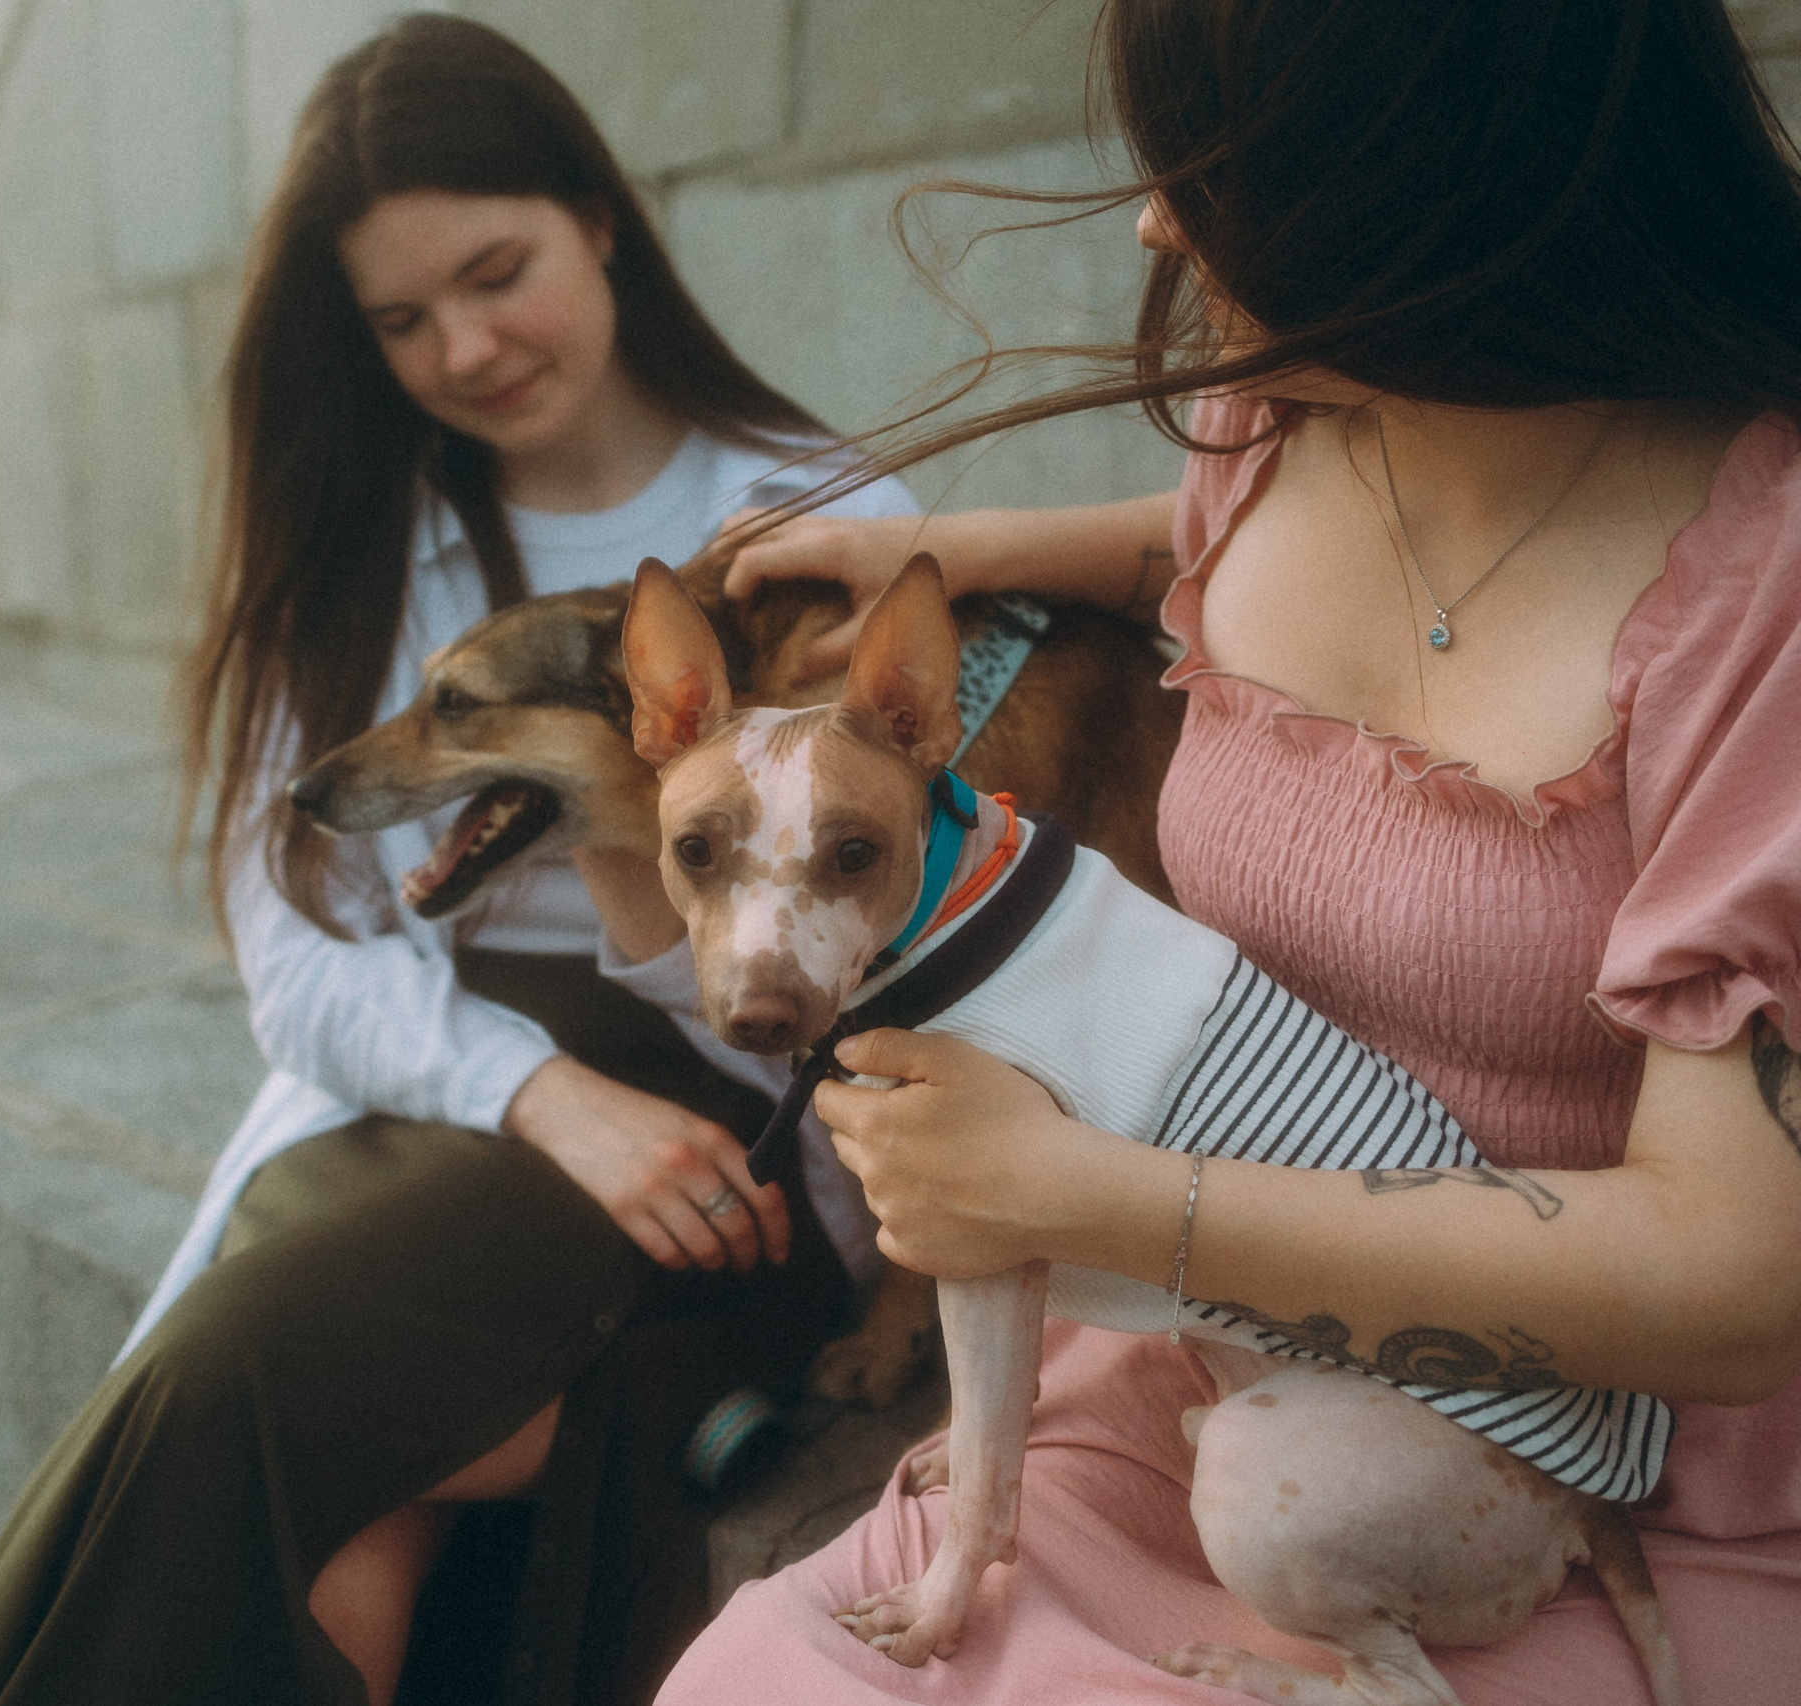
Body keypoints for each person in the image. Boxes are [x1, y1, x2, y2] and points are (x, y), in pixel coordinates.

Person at [653, 1, 1801, 1699]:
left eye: (1220, 172)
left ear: (1459, 172)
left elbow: (1739, 1281)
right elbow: (1187, 548)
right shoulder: (1276, 429)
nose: (1153, 223)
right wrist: (962, 546)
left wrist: (1081, 1194)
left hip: (1605, 1458)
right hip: (1206, 1366)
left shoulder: (1763, 596)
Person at [0, 18, 920, 1706]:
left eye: (496, 269)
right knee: (326, 1506)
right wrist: (538, 1094)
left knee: (240, 1379)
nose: (466, 345)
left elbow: (876, 945)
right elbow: (298, 954)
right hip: (437, 1096)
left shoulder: (815, 522)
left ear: (600, 217)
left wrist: (627, 877)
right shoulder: (365, 545)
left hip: (734, 1110)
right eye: (401, 318)